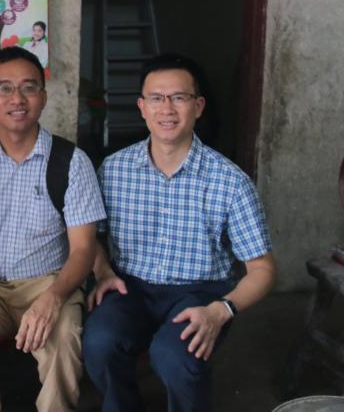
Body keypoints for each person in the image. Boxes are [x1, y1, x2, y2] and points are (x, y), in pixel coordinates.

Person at [83, 54, 276, 412]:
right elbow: (91, 235)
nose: (167, 109)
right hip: (130, 287)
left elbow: (263, 270)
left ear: (198, 106)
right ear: (142, 107)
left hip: (200, 292)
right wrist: (103, 270)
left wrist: (221, 310)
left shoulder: (230, 182)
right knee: (99, 342)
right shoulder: (113, 169)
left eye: (179, 98)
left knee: (174, 356)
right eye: (156, 98)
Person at [0, 46, 106, 412]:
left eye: (28, 87)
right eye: (5, 88)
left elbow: (83, 249)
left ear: (43, 96)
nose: (17, 99)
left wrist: (55, 296)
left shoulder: (72, 162)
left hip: (49, 281)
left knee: (64, 337)